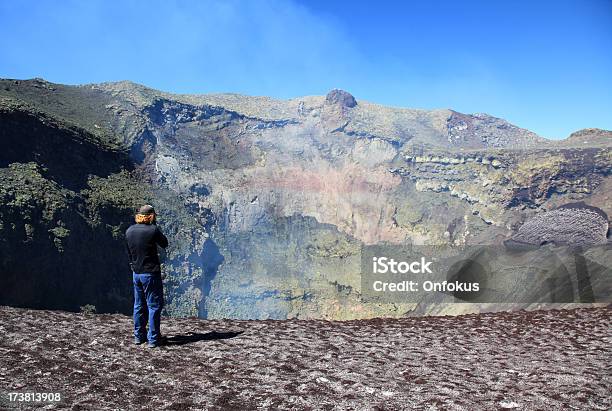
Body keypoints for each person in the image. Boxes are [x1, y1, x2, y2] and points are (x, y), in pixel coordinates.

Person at [125, 205, 169, 348]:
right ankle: (154, 339)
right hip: (150, 273)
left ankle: (139, 337)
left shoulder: (129, 231)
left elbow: (129, 253)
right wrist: (154, 226)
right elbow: (165, 243)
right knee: (154, 305)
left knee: (138, 305)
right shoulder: (152, 230)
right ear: (150, 216)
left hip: (136, 273)